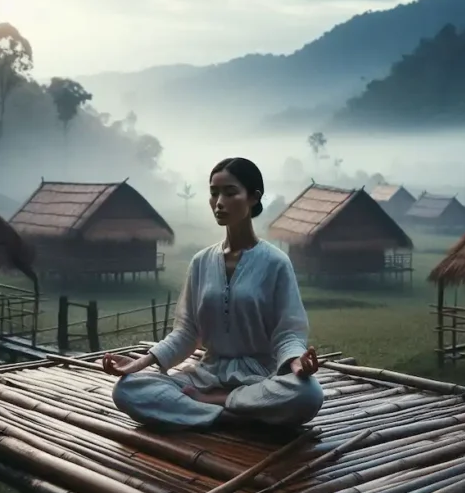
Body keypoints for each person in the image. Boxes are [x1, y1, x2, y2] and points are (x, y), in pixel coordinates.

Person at [104, 157, 324, 430]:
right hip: (206, 376)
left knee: (308, 394)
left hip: (260, 379)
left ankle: (215, 403)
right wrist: (140, 363)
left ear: (253, 197)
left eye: (230, 193)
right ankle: (230, 414)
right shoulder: (200, 262)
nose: (219, 202)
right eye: (214, 193)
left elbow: (288, 332)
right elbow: (186, 332)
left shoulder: (276, 262)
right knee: (127, 389)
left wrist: (295, 365)